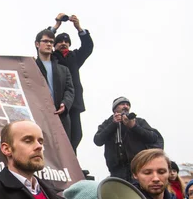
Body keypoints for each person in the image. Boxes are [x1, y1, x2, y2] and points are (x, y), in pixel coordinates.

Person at [49, 13, 94, 153]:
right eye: (60, 42)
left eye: (66, 42)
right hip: (57, 102)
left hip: (74, 102)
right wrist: (56, 25)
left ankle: (72, 162)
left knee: (76, 135)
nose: (63, 44)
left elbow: (88, 47)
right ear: (54, 45)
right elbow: (43, 41)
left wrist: (78, 27)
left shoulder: (74, 57)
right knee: (62, 135)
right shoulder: (50, 57)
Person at [94, 97, 163, 182]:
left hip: (138, 167)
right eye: (122, 104)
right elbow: (97, 140)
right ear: (115, 109)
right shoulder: (107, 124)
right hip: (117, 170)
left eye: (127, 105)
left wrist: (134, 127)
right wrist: (113, 124)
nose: (126, 106)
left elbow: (153, 137)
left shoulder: (139, 121)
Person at [34, 29, 75, 143]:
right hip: (39, 116)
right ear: (37, 44)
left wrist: (65, 104)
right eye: (45, 41)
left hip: (60, 117)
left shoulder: (64, 70)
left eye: (51, 42)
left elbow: (70, 90)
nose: (49, 44)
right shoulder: (30, 67)